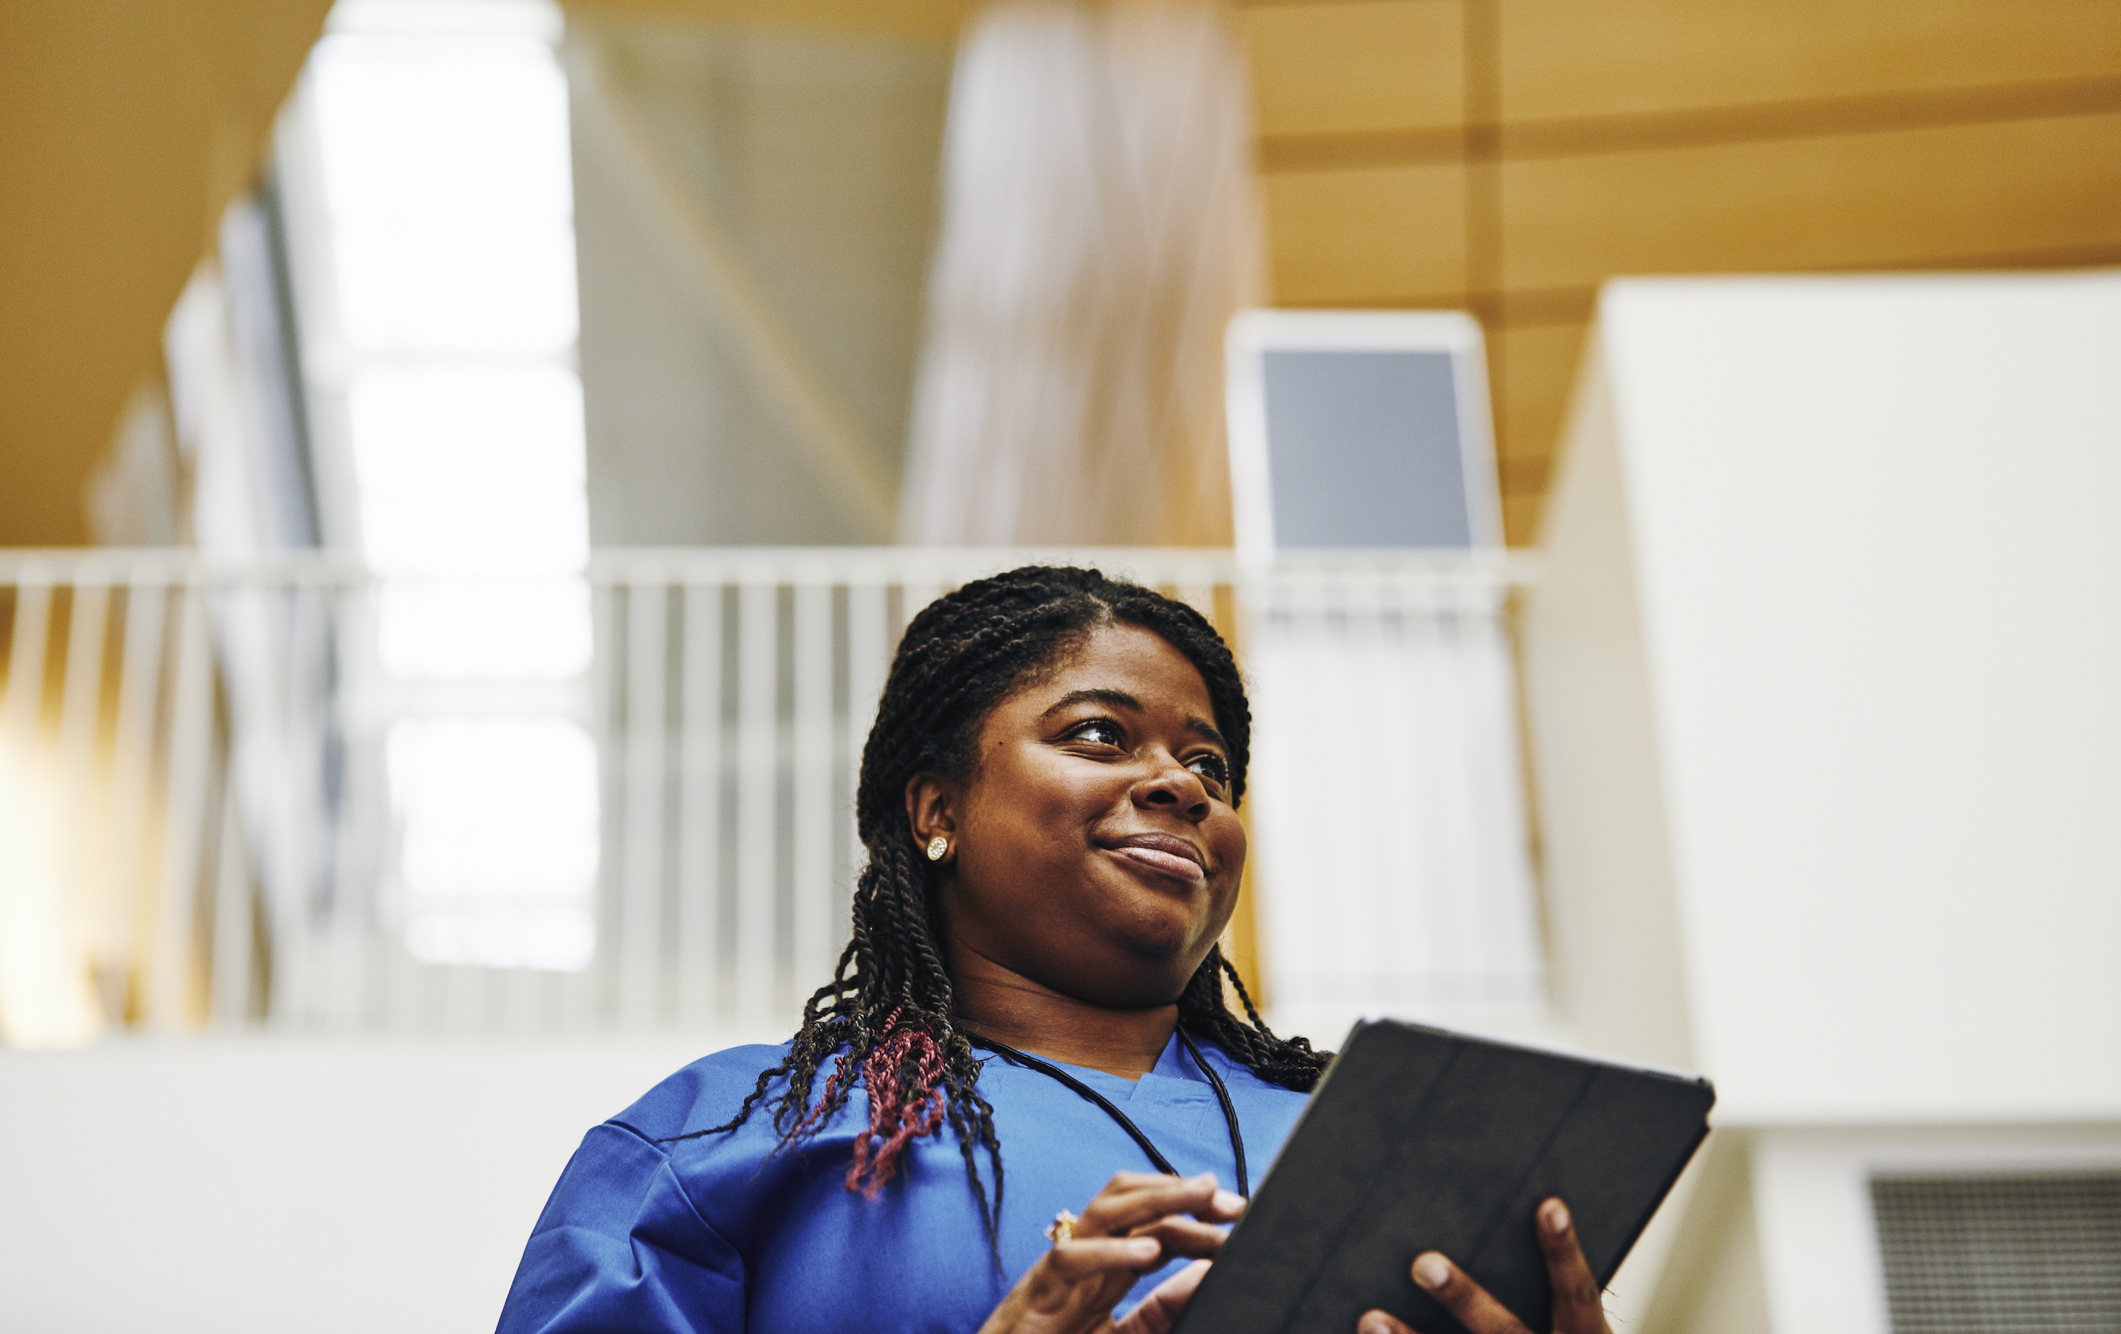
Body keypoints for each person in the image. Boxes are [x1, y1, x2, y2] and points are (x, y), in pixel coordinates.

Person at [497, 566, 1613, 1334]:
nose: (1182, 785)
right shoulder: (728, 1139)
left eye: (1211, 767)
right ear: (935, 807)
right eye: (1099, 734)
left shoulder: (1371, 1141)